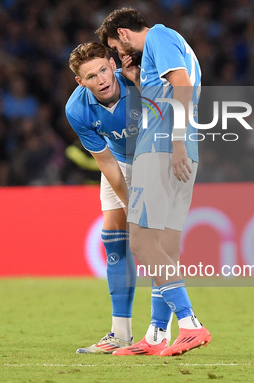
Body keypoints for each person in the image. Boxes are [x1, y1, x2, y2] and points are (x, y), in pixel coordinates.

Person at [97, 7, 211, 356]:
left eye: (116, 48)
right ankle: (157, 334)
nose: (120, 55)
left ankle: (190, 325)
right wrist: (136, 79)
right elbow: (167, 92)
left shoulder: (159, 36)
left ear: (124, 34)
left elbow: (182, 86)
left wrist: (175, 142)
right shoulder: (170, 47)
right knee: (165, 249)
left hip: (161, 150)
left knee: (142, 244)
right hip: (182, 150)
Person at [65, 42, 142, 354]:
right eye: (91, 76)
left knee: (152, 245)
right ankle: (120, 334)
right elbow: (107, 163)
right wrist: (131, 204)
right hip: (119, 163)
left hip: (154, 157)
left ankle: (165, 330)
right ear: (80, 82)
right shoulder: (77, 109)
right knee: (114, 238)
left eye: (103, 69)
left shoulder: (137, 82)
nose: (101, 79)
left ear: (112, 64)